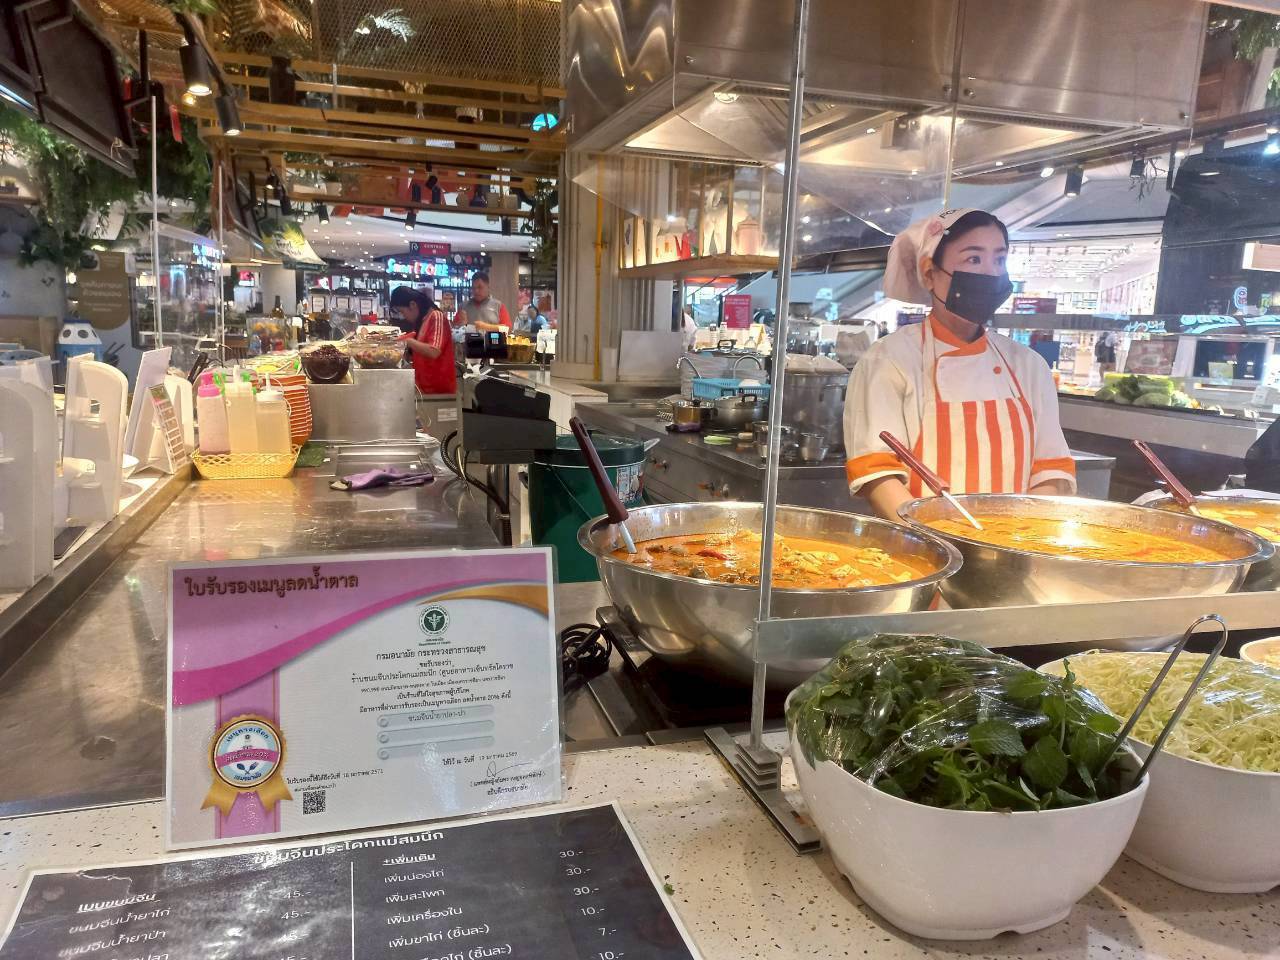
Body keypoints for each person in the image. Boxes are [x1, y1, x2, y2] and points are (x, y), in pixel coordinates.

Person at [843, 208, 1076, 521]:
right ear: (929, 273)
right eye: (973, 259)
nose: (991, 273)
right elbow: (878, 474)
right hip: (922, 543)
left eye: (1000, 260)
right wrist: (934, 539)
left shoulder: (1029, 366)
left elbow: (1051, 470)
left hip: (1014, 542)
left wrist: (1016, 536)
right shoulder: (888, 360)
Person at [391, 285, 455, 395]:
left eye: (402, 312)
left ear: (413, 305)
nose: (403, 316)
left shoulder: (436, 316)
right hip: (424, 390)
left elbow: (434, 351)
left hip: (439, 392)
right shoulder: (423, 321)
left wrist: (408, 341)